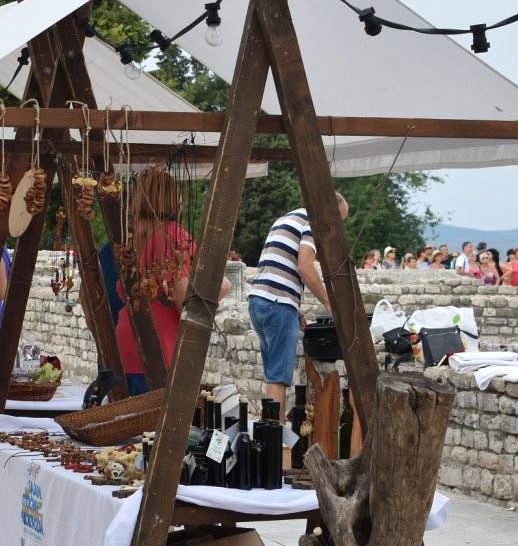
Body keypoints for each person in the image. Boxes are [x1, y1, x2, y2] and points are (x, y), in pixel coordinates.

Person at [114, 169, 230, 396]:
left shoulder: (141, 236)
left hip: (132, 348)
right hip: (159, 350)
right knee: (157, 428)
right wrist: (224, 287)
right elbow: (187, 297)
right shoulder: (172, 235)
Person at [248, 193, 348, 409]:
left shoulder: (289, 217)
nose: (336, 228)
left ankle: (269, 434)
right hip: (277, 303)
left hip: (260, 300)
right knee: (278, 378)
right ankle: (275, 440)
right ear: (330, 211)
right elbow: (305, 266)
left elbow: (280, 263)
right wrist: (329, 303)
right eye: (339, 220)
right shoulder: (314, 221)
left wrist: (295, 307)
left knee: (272, 375)